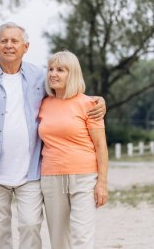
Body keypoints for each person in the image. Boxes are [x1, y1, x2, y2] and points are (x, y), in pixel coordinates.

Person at [0, 22, 105, 249]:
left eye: (14, 41)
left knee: (30, 226)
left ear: (25, 47)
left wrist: (100, 101)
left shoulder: (41, 76)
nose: (9, 45)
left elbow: (70, 89)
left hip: (31, 172)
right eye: (4, 40)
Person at [38, 50, 108, 249]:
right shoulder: (43, 104)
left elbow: (101, 147)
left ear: (73, 74)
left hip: (84, 178)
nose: (53, 73)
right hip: (51, 178)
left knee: (81, 238)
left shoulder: (90, 105)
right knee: (59, 240)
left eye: (61, 70)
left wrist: (101, 183)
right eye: (51, 69)